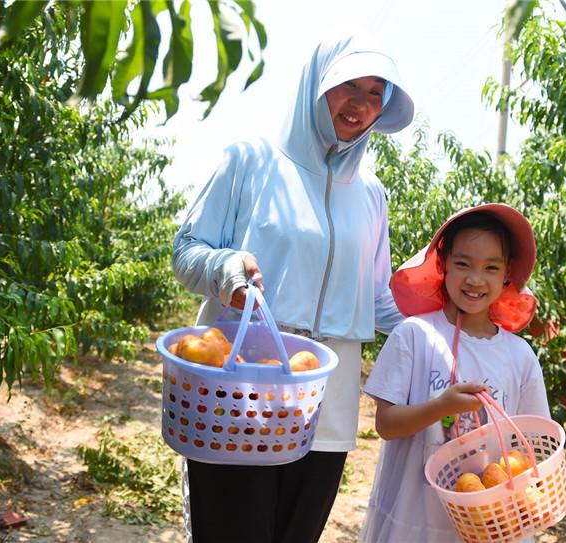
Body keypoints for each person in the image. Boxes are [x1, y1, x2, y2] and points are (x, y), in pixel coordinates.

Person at [171, 35, 414, 543]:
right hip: (243, 387)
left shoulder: (371, 195)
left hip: (328, 400)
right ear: (317, 84)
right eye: (348, 84)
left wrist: (451, 319)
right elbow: (187, 250)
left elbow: (377, 300)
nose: (361, 103)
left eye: (375, 93)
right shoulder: (251, 160)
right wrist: (228, 269)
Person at [360, 204, 551, 543]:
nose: (475, 279)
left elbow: (533, 445)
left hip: (490, 527)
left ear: (507, 273)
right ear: (443, 263)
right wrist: (440, 407)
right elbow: (386, 425)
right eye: (463, 264)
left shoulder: (519, 355)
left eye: (491, 267)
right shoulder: (415, 336)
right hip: (414, 519)